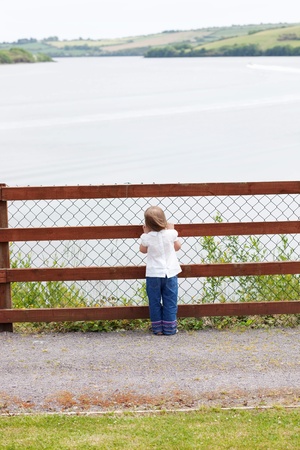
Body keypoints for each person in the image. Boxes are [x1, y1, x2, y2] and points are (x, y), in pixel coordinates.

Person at [139, 205, 182, 335]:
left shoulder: (147, 237)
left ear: (146, 224)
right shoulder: (171, 234)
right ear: (164, 221)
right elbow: (177, 247)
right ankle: (170, 328)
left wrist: (146, 233)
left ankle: (157, 329)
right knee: (170, 301)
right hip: (170, 274)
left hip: (153, 274)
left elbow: (142, 250)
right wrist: (171, 228)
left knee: (154, 301)